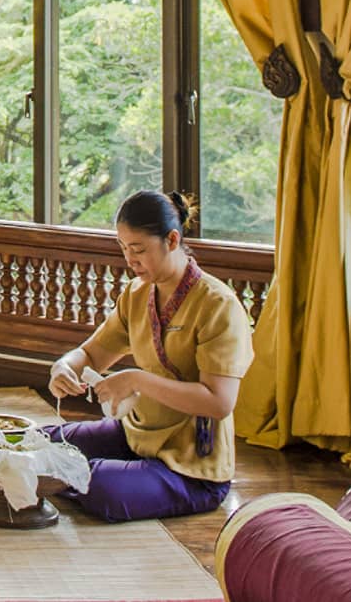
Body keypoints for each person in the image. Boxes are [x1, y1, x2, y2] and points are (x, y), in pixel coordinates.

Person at [44, 190, 253, 522]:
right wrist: (64, 366)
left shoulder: (218, 305)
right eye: (124, 249)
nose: (130, 260)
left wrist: (136, 379)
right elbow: (91, 354)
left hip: (193, 468)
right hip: (136, 435)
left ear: (171, 240)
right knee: (44, 442)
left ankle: (46, 478)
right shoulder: (137, 294)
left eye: (139, 249)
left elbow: (218, 402)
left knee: (98, 484)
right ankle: (43, 474)